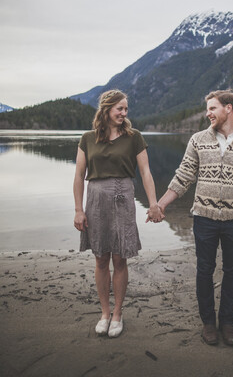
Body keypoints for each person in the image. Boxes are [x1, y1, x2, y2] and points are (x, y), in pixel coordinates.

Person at [149, 89, 233, 347]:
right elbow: (184, 176)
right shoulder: (198, 140)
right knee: (204, 269)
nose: (208, 113)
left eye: (213, 108)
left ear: (229, 108)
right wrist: (160, 205)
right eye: (207, 109)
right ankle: (208, 323)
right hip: (204, 217)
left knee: (232, 271)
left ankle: (227, 323)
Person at [73, 89, 162, 338]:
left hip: (124, 198)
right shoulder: (88, 138)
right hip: (96, 200)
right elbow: (79, 176)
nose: (124, 113)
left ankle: (118, 314)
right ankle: (104, 313)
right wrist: (79, 210)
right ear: (107, 109)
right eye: (120, 108)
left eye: (126, 109)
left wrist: (153, 203)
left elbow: (145, 172)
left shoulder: (134, 137)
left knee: (120, 258)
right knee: (101, 258)